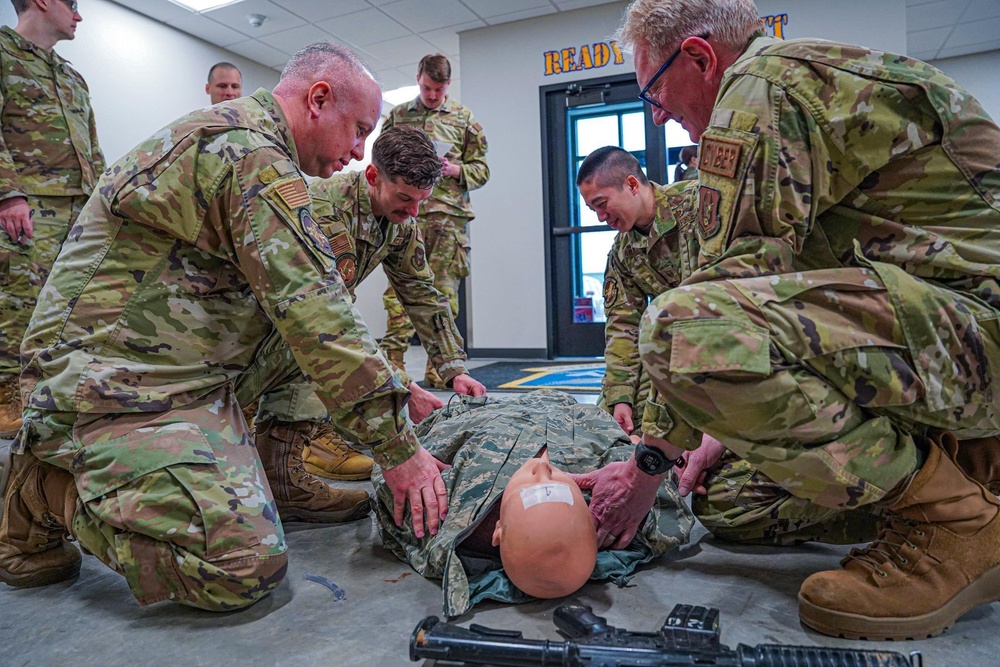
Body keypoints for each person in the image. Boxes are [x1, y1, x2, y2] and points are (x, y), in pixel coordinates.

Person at [578, 0, 1000, 641]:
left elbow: (717, 306)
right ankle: (964, 471)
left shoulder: (760, 90)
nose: (657, 117)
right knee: (728, 502)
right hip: (944, 345)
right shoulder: (794, 83)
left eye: (655, 92)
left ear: (699, 57)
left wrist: (647, 469)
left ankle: (954, 521)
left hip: (976, 339)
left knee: (679, 331)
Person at [0, 42, 450, 612]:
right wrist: (396, 449)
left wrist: (391, 384)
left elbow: (314, 311)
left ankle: (276, 474)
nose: (360, 151)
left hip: (178, 370)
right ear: (318, 100)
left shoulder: (264, 153)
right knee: (241, 565)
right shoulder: (244, 153)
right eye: (358, 130)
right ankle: (46, 485)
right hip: (106, 386)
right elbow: (313, 311)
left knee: (304, 341)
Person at [580, 146, 878, 547]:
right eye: (592, 210)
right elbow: (623, 330)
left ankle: (885, 507)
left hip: (756, 364)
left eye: (602, 204)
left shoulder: (703, 210)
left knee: (722, 489)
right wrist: (619, 398)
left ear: (632, 184)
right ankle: (673, 461)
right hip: (690, 368)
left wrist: (713, 433)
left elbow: (740, 321)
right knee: (708, 498)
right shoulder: (622, 254)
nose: (600, 218)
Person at [258, 124, 487, 482]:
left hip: (314, 316)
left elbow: (422, 294)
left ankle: (295, 453)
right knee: (314, 349)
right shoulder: (322, 211)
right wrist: (403, 389)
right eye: (404, 199)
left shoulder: (402, 222)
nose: (413, 212)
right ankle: (296, 456)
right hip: (269, 324)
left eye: (421, 201)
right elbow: (323, 318)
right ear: (372, 176)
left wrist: (454, 368)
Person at [373, 390, 693, 617]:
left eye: (535, 487)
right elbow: (653, 472)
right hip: (573, 412)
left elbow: (398, 476)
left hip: (492, 414)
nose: (542, 468)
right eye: (555, 482)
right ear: (591, 517)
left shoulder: (443, 507)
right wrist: (647, 454)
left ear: (498, 531)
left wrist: (400, 449)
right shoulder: (618, 502)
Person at [0, 0, 105, 437]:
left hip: (79, 212)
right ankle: (6, 394)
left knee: (70, 308)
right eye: (73, 4)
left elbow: (92, 147)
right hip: (27, 207)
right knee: (19, 300)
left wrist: (105, 208)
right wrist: (8, 196)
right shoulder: (3, 55)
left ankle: (50, 394)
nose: (78, 16)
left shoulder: (71, 76)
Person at [379, 54, 489, 389]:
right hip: (404, 214)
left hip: (447, 219)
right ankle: (393, 362)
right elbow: (381, 158)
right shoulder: (399, 115)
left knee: (443, 294)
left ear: (448, 86)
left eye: (438, 90)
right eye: (427, 88)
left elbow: (482, 169)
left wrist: (456, 170)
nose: (432, 95)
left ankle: (439, 368)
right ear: (418, 78)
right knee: (398, 290)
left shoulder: (463, 118)